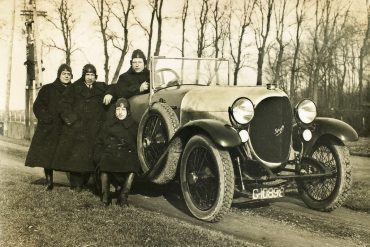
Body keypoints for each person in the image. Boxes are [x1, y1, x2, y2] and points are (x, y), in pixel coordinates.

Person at [52, 64, 108, 192]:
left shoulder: (101, 88)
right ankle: (76, 184)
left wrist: (109, 94)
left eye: (92, 75)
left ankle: (88, 183)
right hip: (77, 130)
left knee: (91, 157)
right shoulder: (74, 88)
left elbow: (115, 89)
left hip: (94, 129)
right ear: (83, 75)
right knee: (76, 158)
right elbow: (63, 105)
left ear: (96, 76)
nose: (89, 78)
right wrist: (72, 121)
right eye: (87, 75)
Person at [25, 64, 73, 190]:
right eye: (64, 73)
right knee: (48, 155)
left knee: (68, 154)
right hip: (51, 128)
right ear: (59, 75)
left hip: (67, 127)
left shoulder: (74, 90)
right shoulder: (48, 89)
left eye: (68, 74)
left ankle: (74, 183)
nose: (66, 76)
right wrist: (46, 118)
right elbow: (37, 106)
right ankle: (49, 181)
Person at [94, 98, 139, 206]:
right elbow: (100, 141)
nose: (120, 112)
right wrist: (99, 154)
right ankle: (105, 197)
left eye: (123, 109)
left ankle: (123, 197)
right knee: (104, 162)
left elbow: (135, 143)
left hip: (126, 153)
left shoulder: (133, 125)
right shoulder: (109, 124)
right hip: (110, 152)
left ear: (127, 111)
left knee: (133, 165)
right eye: (118, 109)